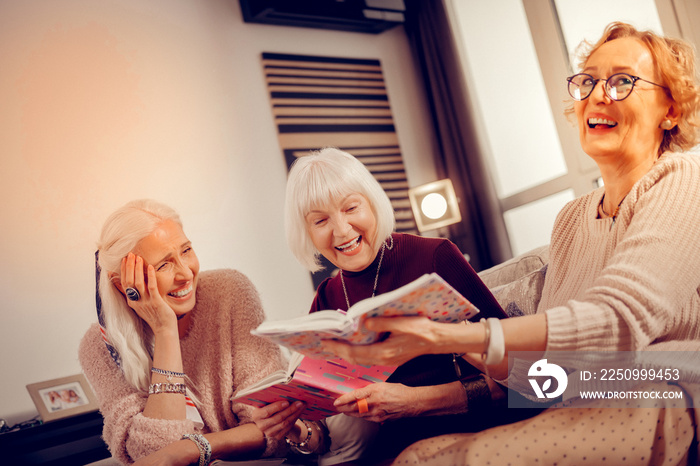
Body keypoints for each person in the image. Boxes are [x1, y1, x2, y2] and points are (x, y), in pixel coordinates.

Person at [321, 22, 700, 465]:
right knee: (416, 454)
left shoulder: (682, 181)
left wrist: (445, 336)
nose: (598, 95)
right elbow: (541, 380)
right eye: (589, 80)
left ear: (670, 110)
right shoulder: (573, 220)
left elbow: (618, 320)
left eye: (621, 81)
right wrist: (422, 386)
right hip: (579, 399)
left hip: (654, 400)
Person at [252, 147, 523, 464]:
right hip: (389, 454)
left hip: (470, 437)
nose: (341, 230)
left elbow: (525, 378)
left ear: (372, 203)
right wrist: (296, 431)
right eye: (321, 220)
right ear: (307, 232)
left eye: (351, 207)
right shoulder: (327, 298)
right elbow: (327, 433)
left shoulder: (435, 257)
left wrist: (415, 401)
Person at [79, 199, 286, 465]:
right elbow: (154, 453)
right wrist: (165, 331)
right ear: (123, 285)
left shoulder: (229, 293)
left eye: (186, 250)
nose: (185, 273)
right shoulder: (99, 346)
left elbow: (272, 423)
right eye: (164, 265)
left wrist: (193, 449)